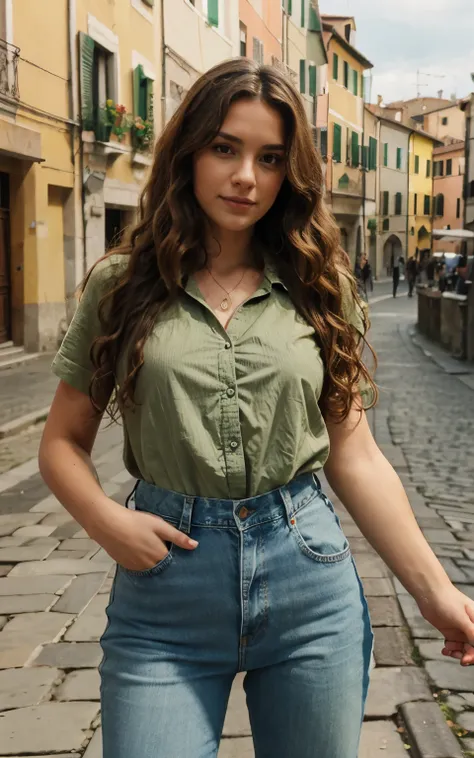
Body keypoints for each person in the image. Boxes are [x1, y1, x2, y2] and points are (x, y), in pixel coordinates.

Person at [38, 59, 474, 758]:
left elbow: (356, 456)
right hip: (166, 595)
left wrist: (434, 591)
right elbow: (61, 440)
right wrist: (107, 521)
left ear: (288, 174)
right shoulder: (123, 284)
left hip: (308, 578)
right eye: (225, 148)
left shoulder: (319, 284)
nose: (246, 176)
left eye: (269, 159)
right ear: (189, 152)